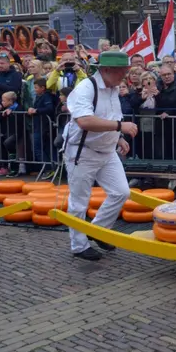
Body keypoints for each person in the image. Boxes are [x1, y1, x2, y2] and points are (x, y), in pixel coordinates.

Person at [63, 51, 138, 261]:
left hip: (107, 151)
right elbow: (85, 121)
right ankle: (79, 246)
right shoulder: (85, 88)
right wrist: (120, 126)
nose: (124, 75)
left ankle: (97, 230)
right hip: (83, 152)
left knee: (121, 192)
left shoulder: (113, 88)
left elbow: (110, 117)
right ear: (107, 70)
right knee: (79, 201)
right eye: (122, 71)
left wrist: (118, 137)